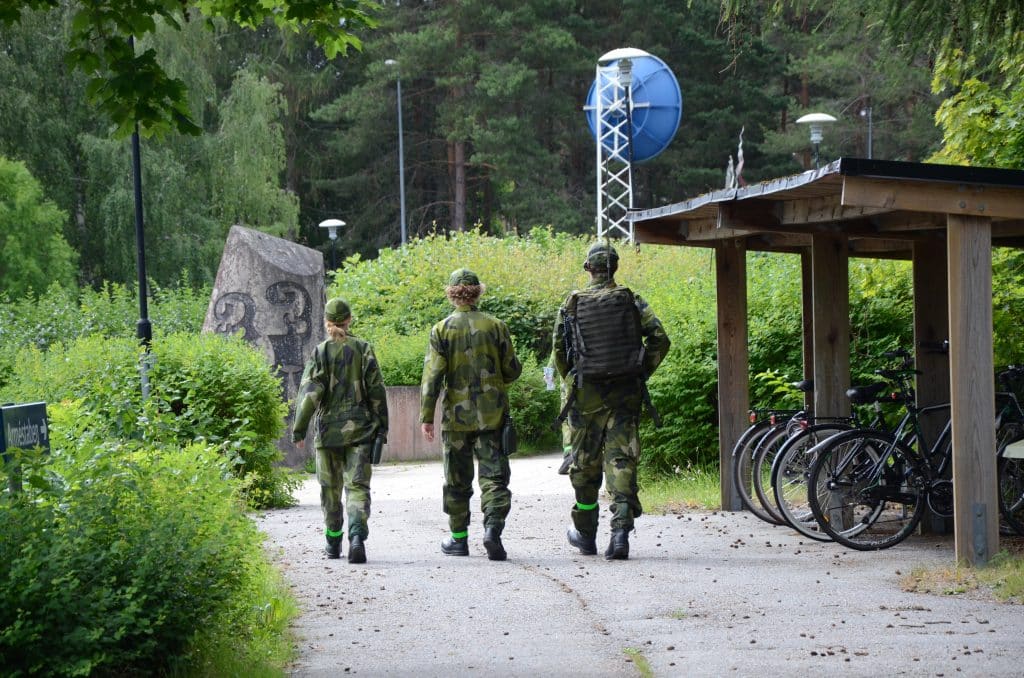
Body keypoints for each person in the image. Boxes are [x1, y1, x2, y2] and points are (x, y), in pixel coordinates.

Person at [553, 242, 671, 560]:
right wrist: (640, 372)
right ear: (615, 267)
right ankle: (620, 533)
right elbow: (660, 339)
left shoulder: (572, 302)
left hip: (585, 396)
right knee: (622, 461)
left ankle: (585, 535)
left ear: (588, 268)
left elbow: (559, 350)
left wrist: (573, 380)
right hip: (625, 394)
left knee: (584, 465)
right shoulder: (631, 300)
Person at [420, 268, 522, 561]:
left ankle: (459, 539)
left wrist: (426, 416)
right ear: (478, 292)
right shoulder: (496, 326)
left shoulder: (441, 330)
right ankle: (492, 530)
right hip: (492, 416)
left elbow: (432, 377)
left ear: (451, 294)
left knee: (456, 479)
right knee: (494, 478)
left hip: (456, 419)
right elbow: (511, 370)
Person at [293, 298, 388, 564]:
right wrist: (382, 425)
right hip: (361, 430)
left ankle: (333, 542)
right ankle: (356, 538)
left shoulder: (321, 352)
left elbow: (310, 394)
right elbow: (377, 391)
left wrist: (299, 430)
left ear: (327, 322)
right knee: (357, 487)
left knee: (330, 489)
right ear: (349, 320)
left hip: (328, 433)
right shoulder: (363, 349)